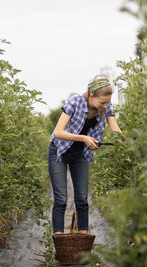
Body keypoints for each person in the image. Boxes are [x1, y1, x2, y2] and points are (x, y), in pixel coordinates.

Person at [48, 74, 122, 234]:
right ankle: (60, 242)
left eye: (108, 102)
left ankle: (83, 243)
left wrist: (125, 142)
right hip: (59, 151)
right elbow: (58, 132)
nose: (105, 106)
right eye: (102, 102)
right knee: (61, 199)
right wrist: (84, 138)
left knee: (82, 199)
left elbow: (115, 129)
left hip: (80, 154)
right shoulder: (75, 102)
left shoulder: (106, 106)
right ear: (91, 95)